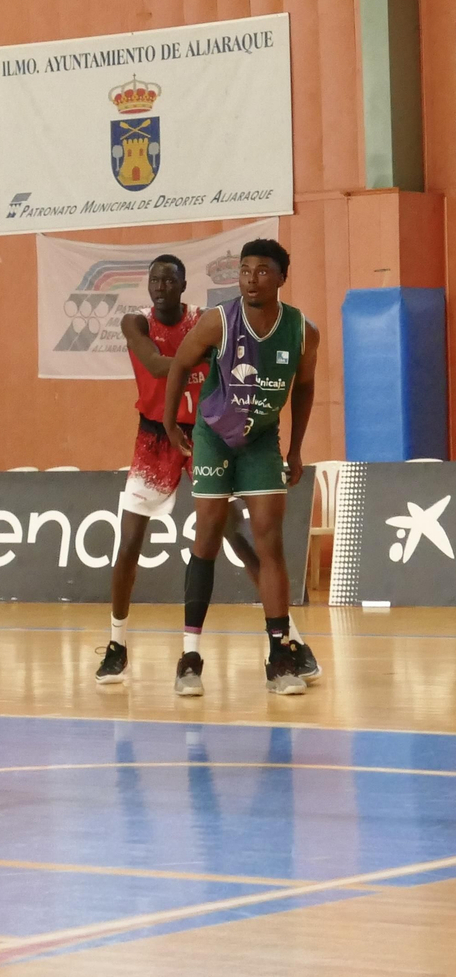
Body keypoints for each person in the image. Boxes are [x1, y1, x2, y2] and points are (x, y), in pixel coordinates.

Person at [93, 257, 308, 690]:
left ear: (183, 285)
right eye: (154, 280)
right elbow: (157, 366)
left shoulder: (203, 320)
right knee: (130, 539)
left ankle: (289, 640)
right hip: (156, 436)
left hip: (207, 433)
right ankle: (117, 644)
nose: (160, 287)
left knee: (232, 533)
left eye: (169, 280)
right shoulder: (136, 323)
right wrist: (205, 355)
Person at [161, 239, 320, 696]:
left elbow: (305, 389)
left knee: (270, 541)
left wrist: (297, 448)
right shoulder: (219, 320)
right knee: (207, 533)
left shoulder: (303, 330)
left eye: (263, 271)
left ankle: (279, 654)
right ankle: (190, 654)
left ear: (282, 278)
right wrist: (172, 426)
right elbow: (178, 367)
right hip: (214, 437)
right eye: (245, 270)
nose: (251, 279)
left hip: (261, 440)